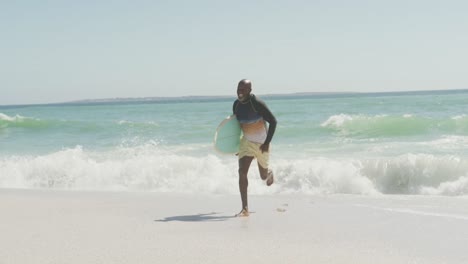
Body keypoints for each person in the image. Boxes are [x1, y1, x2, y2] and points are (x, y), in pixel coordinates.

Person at [232, 79, 277, 217]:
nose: (240, 92)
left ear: (250, 90)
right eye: (238, 88)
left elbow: (273, 121)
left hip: (262, 143)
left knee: (263, 176)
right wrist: (236, 146)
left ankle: (269, 173)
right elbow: (236, 126)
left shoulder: (257, 103)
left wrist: (267, 143)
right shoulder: (236, 105)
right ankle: (245, 208)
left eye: (243, 89)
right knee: (241, 172)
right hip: (246, 142)